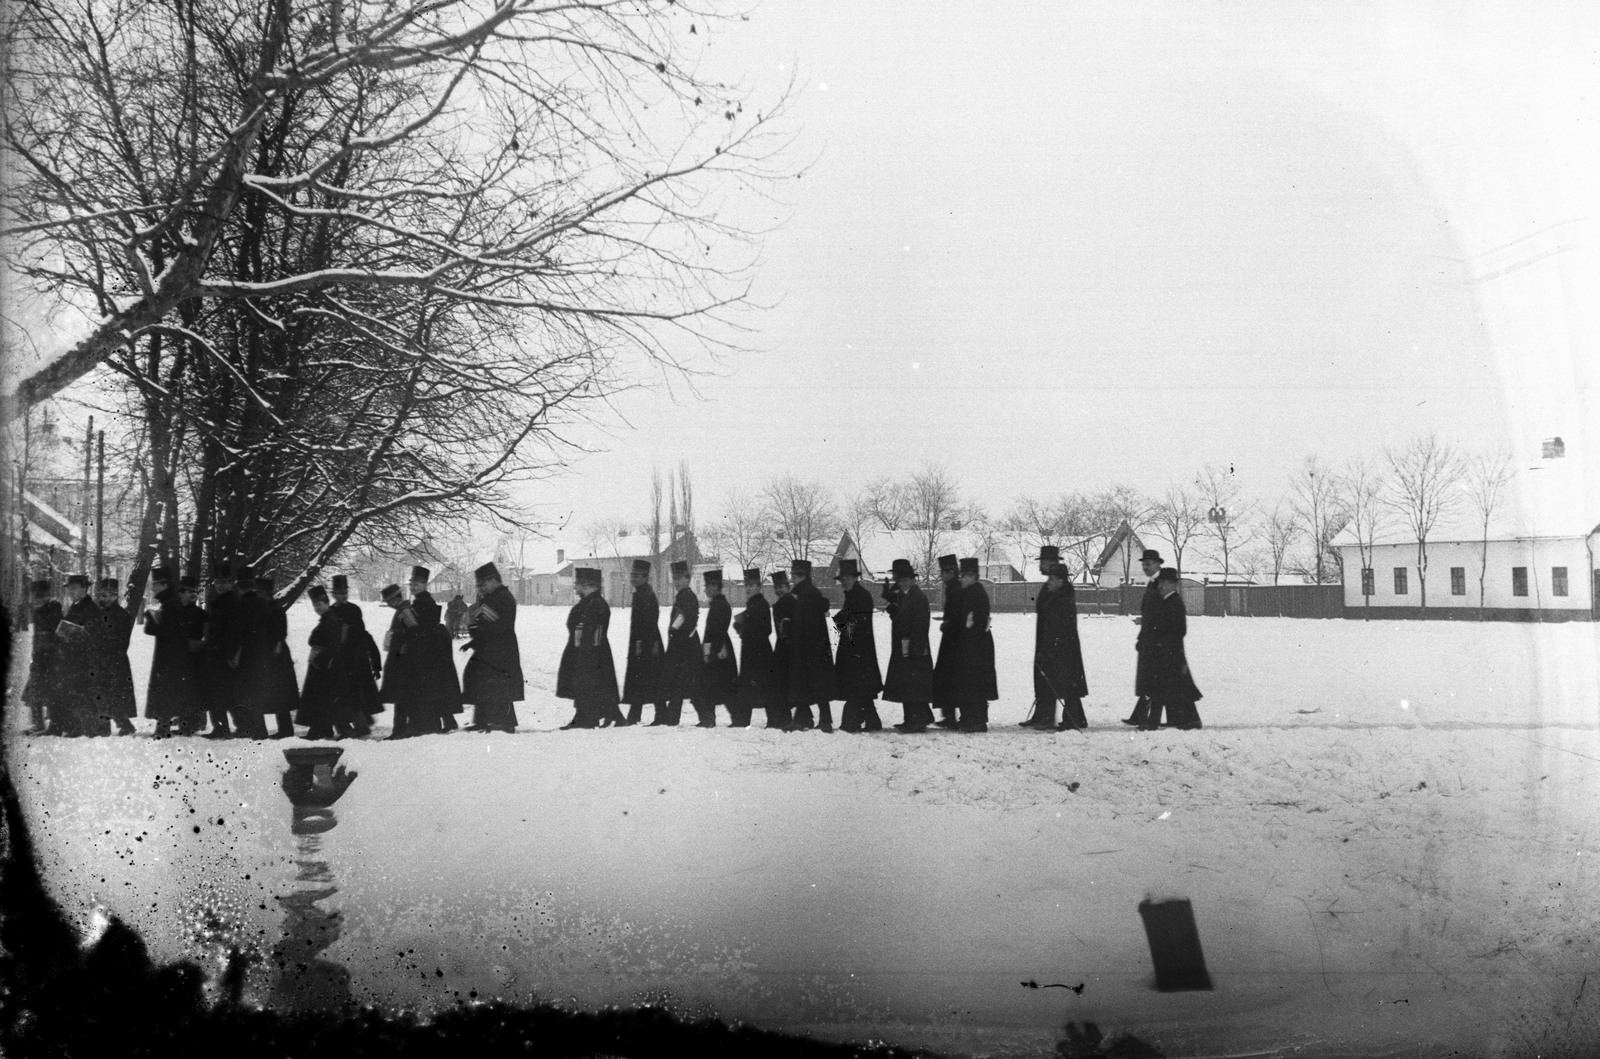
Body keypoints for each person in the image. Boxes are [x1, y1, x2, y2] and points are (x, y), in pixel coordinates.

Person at [1024, 546, 1090, 732]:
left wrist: (1048, 648)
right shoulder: (1052, 588)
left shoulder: (1061, 594)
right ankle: (1052, 717)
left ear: (1053, 564)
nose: (1041, 566)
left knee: (1064, 682)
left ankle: (1061, 719)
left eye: (1043, 562)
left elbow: (1058, 624)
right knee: (1061, 681)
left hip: (1058, 645)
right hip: (1049, 641)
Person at [461, 561, 525, 733]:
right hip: (491, 648)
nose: (480, 589)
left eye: (482, 584)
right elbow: (483, 625)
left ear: (492, 580)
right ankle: (483, 720)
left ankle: (505, 722)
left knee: (499, 686)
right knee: (482, 682)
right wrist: (472, 641)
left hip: (500, 649)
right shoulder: (493, 598)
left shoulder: (502, 598)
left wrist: (473, 626)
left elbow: (491, 625)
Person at [1138, 568, 1204, 731]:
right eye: (1160, 583)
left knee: (1163, 688)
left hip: (1169, 653)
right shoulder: (1168, 601)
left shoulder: (1174, 602)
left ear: (1172, 584)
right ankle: (1188, 719)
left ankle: (1154, 722)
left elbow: (1179, 630)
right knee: (1176, 688)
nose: (1160, 586)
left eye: (1163, 583)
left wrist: (1162, 644)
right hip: (1168, 652)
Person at [556, 568, 621, 729]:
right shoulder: (588, 603)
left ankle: (587, 718)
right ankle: (601, 716)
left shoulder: (597, 604)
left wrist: (585, 651)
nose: (575, 588)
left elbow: (592, 631)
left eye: (577, 584)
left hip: (592, 652)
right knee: (589, 686)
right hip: (584, 651)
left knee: (590, 686)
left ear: (587, 585)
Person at [402, 566, 464, 734]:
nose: (413, 587)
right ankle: (438, 722)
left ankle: (427, 725)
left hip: (426, 652)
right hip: (427, 651)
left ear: (424, 585)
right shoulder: (420, 602)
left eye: (417, 584)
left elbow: (421, 628)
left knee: (426, 689)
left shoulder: (424, 603)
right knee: (433, 689)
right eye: (411, 584)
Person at [143, 568, 201, 739]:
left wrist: (150, 620)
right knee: (175, 691)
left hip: (169, 656)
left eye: (155, 584)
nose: (153, 588)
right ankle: (183, 725)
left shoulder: (168, 604)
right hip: (174, 654)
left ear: (164, 584)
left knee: (166, 692)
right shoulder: (172, 602)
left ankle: (163, 728)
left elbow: (165, 629)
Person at [882, 559, 935, 733]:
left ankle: (917, 722)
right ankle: (910, 719)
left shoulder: (918, 597)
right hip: (903, 647)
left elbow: (921, 624)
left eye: (906, 580)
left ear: (913, 580)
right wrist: (893, 611)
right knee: (907, 684)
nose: (902, 583)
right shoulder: (904, 596)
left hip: (914, 647)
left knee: (914, 686)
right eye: (900, 580)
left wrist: (916, 648)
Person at [785, 559, 836, 732]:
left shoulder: (808, 594)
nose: (792, 578)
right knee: (808, 682)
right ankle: (804, 719)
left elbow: (811, 623)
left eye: (794, 575)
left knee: (816, 682)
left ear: (802, 576)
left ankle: (825, 721)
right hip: (809, 646)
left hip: (811, 647)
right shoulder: (805, 593)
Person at [833, 558, 884, 733]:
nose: (844, 581)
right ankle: (872, 721)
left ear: (855, 578)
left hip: (859, 651)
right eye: (842, 578)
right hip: (855, 649)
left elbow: (856, 623)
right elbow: (846, 620)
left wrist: (842, 620)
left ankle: (851, 723)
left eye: (848, 577)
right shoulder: (853, 595)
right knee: (861, 689)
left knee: (856, 688)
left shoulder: (860, 596)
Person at [298, 585, 353, 740]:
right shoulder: (327, 618)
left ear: (327, 604)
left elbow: (333, 644)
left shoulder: (330, 620)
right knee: (323, 699)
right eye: (315, 605)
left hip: (327, 666)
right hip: (324, 665)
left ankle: (341, 730)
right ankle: (322, 729)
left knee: (327, 699)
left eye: (319, 605)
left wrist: (319, 661)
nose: (317, 608)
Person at [224, 567, 273, 739]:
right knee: (257, 692)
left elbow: (237, 632)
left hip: (246, 655)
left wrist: (231, 654)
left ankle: (255, 730)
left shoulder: (240, 605)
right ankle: (260, 729)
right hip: (262, 655)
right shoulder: (263, 603)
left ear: (238, 586)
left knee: (247, 693)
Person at [653, 560, 703, 727]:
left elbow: (687, 623)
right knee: (678, 685)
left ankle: (705, 717)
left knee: (683, 684)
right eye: (674, 578)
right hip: (680, 647)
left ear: (688, 579)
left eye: (679, 578)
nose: (676, 581)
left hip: (685, 648)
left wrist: (677, 640)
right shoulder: (682, 597)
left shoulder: (688, 597)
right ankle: (671, 718)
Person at [952, 558, 998, 732]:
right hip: (971, 645)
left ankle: (977, 720)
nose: (961, 579)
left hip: (977, 646)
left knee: (976, 683)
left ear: (972, 576)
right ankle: (969, 718)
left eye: (964, 576)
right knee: (969, 683)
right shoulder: (970, 592)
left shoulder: (976, 594)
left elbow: (977, 623)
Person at [55, 573, 104, 736]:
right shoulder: (75, 606)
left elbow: (92, 635)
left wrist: (72, 635)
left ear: (85, 589)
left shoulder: (91, 608)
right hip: (73, 659)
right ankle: (76, 728)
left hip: (85, 660)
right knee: (75, 693)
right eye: (69, 589)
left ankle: (89, 729)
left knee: (85, 694)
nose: (70, 592)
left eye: (74, 588)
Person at [1123, 549, 1166, 727]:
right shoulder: (1152, 582)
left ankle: (1147, 717)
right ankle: (1139, 714)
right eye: (1143, 564)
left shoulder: (1161, 583)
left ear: (1157, 564)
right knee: (1148, 679)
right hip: (1149, 636)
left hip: (1155, 639)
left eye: (1148, 563)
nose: (1145, 567)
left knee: (1152, 680)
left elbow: (1161, 611)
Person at [330, 575, 379, 736]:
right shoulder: (331, 611)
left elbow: (360, 633)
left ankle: (360, 725)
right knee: (342, 693)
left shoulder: (354, 609)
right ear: (333, 594)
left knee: (354, 693)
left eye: (345, 592)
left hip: (354, 658)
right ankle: (351, 725)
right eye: (339, 593)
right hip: (338, 658)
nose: (343, 596)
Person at [732, 568, 780, 727]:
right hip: (753, 651)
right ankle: (743, 720)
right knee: (750, 686)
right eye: (746, 585)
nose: (748, 588)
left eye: (752, 585)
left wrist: (744, 629)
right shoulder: (754, 603)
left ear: (759, 586)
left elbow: (767, 629)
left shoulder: (761, 604)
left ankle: (771, 720)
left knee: (762, 687)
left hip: (759, 653)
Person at [92, 578, 139, 736]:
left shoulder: (122, 615)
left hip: (115, 661)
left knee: (116, 695)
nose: (105, 599)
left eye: (109, 596)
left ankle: (125, 724)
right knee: (102, 693)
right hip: (100, 660)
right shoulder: (98, 614)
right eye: (103, 595)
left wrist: (103, 644)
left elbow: (122, 641)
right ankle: (104, 726)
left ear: (115, 596)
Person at [620, 560, 665, 726]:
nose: (633, 579)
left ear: (645, 577)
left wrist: (642, 644)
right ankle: (635, 715)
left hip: (648, 643)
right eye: (632, 575)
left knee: (650, 679)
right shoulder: (641, 593)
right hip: (644, 642)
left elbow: (650, 621)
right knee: (641, 679)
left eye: (637, 576)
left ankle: (660, 715)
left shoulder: (645, 595)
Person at [692, 570, 738, 727]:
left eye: (707, 586)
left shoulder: (719, 605)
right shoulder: (719, 604)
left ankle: (710, 719)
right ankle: (711, 718)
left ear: (714, 587)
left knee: (711, 686)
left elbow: (715, 632)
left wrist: (708, 653)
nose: (705, 589)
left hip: (717, 650)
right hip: (720, 648)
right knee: (716, 686)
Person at [258, 576, 300, 738]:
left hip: (276, 656)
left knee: (279, 694)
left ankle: (286, 730)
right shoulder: (273, 608)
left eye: (261, 592)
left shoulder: (273, 609)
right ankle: (285, 729)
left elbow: (280, 633)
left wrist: (274, 648)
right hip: (275, 655)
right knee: (279, 695)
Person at [201, 563, 240, 739]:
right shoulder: (218, 602)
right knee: (218, 692)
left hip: (223, 655)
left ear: (232, 583)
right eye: (217, 582)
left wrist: (230, 654)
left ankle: (225, 727)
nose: (219, 585)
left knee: (222, 693)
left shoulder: (231, 602)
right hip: (216, 654)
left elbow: (234, 631)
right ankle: (221, 727)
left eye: (224, 582)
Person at [23, 579, 63, 736]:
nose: (37, 599)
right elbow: (37, 636)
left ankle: (53, 725)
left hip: (51, 657)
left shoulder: (54, 607)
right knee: (34, 691)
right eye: (35, 596)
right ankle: (38, 723)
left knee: (50, 691)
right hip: (39, 656)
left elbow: (58, 631)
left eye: (40, 596)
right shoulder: (38, 610)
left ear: (47, 595)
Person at [930, 554, 962, 729]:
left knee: (947, 677)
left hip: (952, 640)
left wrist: (946, 625)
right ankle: (948, 715)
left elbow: (956, 614)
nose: (942, 576)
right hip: (950, 639)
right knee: (946, 676)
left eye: (943, 572)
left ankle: (949, 715)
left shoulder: (954, 588)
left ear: (951, 572)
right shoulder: (952, 587)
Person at [175, 575, 210, 734]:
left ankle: (197, 722)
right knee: (181, 689)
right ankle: (184, 720)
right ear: (181, 593)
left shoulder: (202, 614)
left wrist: (199, 644)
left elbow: (207, 636)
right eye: (188, 591)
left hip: (196, 657)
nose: (192, 594)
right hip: (180, 656)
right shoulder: (175, 613)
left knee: (196, 690)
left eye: (194, 591)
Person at [766, 571, 796, 729]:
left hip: (787, 649)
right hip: (783, 648)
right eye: (776, 587)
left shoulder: (789, 602)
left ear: (788, 587)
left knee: (782, 685)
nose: (778, 590)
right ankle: (785, 717)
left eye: (782, 587)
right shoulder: (782, 603)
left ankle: (784, 719)